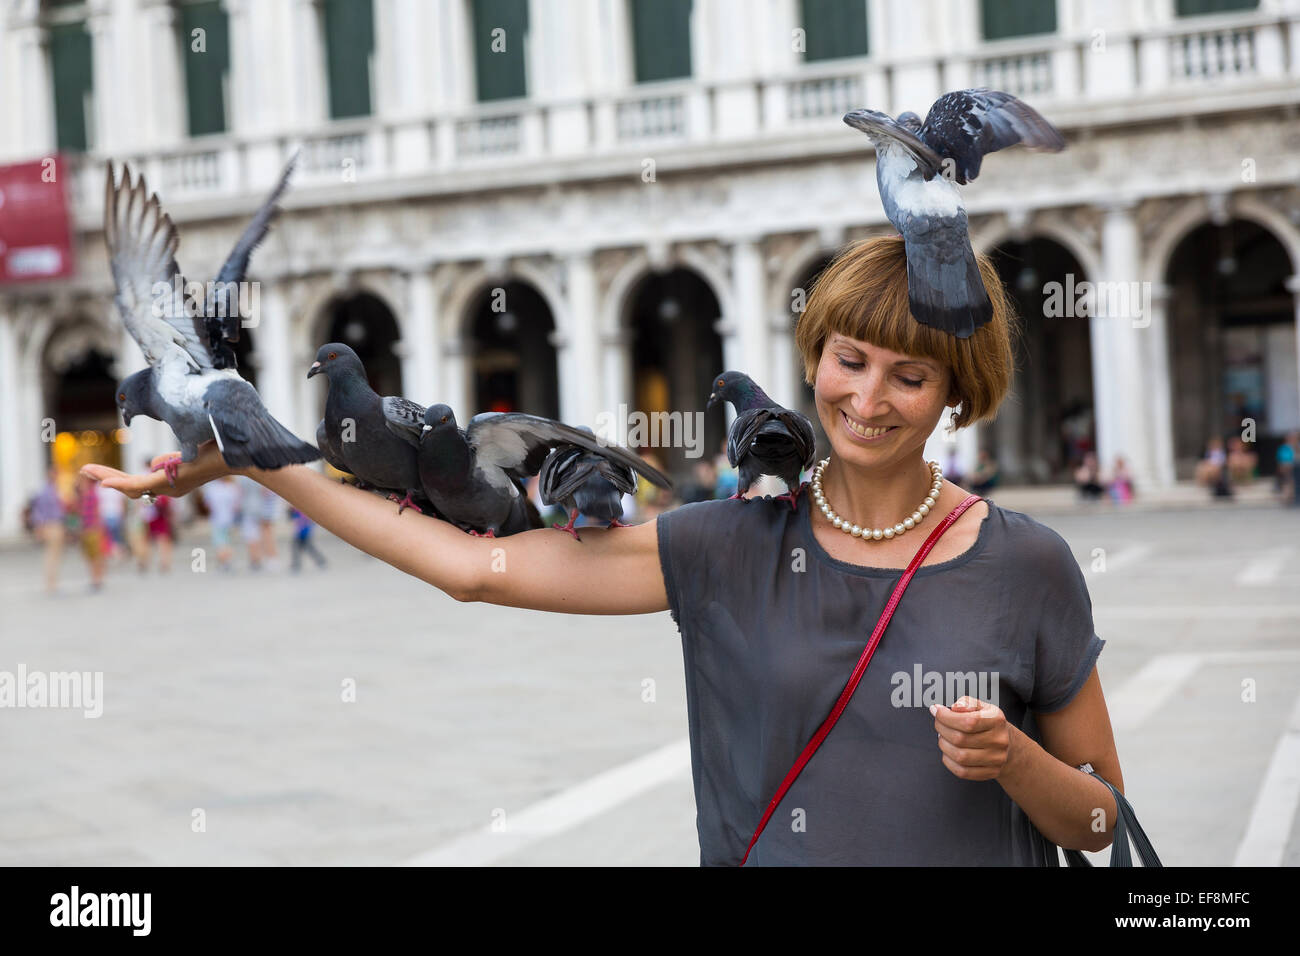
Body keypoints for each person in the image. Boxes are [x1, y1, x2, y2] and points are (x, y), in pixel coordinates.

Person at [82, 235, 1123, 866]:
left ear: (957, 393)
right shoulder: (724, 544)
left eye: (911, 375)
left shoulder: (1025, 565)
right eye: (848, 359)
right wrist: (260, 461)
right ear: (815, 360)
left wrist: (1016, 761)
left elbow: (1095, 818)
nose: (868, 395)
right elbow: (476, 566)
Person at [29, 466, 67, 595]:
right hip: (52, 525)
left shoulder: (53, 489)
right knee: (52, 555)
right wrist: (39, 528)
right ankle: (51, 584)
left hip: (55, 524)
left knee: (54, 555)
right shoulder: (46, 491)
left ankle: (52, 583)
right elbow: (38, 512)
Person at [74, 472, 107, 591]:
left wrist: (99, 527)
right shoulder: (83, 495)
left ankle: (98, 578)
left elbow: (97, 512)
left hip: (93, 528)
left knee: (96, 555)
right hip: (86, 528)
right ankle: (94, 578)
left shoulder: (92, 494)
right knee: (89, 556)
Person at [288, 507, 327, 572]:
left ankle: (321, 561)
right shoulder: (296, 508)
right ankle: (296, 565)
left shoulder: (306, 509)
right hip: (299, 531)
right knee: (297, 548)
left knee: (308, 548)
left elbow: (309, 521)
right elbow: (291, 516)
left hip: (304, 531)